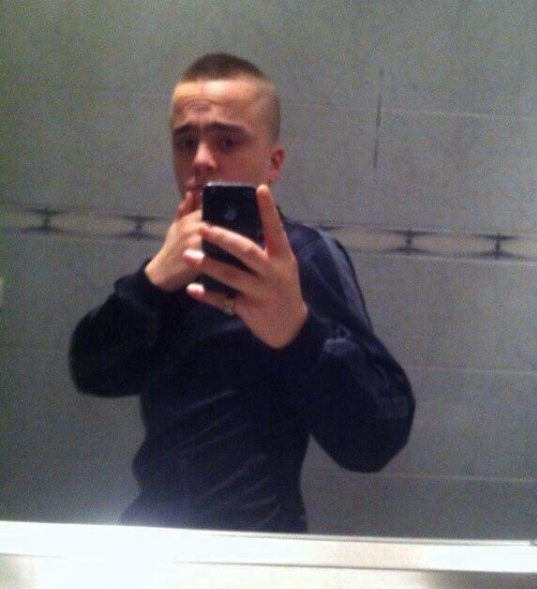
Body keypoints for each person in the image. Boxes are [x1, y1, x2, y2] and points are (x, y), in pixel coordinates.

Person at [69, 53, 415, 533]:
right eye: (185, 142)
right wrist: (150, 283)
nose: (201, 160)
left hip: (257, 545)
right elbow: (93, 373)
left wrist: (298, 332)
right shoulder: (173, 262)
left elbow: (378, 436)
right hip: (157, 536)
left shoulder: (301, 259)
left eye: (227, 141)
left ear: (273, 163)